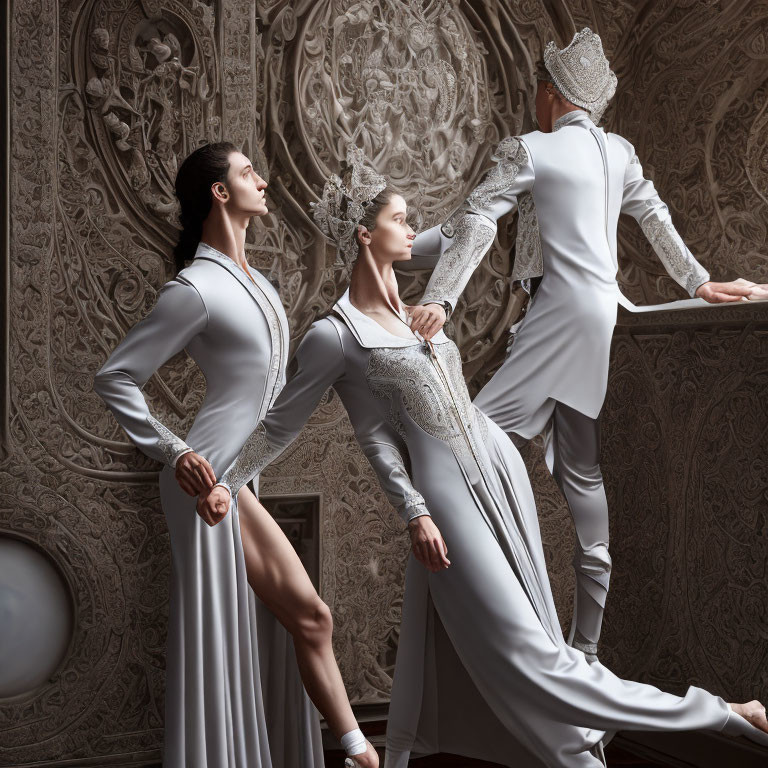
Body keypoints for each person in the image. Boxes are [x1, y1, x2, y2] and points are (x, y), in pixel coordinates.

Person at [196, 146, 768, 768]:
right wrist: (407, 510)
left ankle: (576, 758)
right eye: (400, 219)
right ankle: (724, 713)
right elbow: (322, 428)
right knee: (529, 655)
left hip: (500, 468)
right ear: (366, 234)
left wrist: (694, 279)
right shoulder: (335, 334)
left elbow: (475, 224)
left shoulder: (421, 317)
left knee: (539, 644)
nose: (413, 230)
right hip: (444, 492)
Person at [404, 27, 768, 662]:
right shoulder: (619, 151)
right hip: (605, 317)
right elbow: (654, 216)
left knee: (461, 445)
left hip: (563, 319)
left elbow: (479, 221)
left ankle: (494, 627)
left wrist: (439, 297)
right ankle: (587, 654)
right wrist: (699, 282)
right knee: (582, 477)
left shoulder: (529, 149)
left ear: (549, 95)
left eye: (538, 95)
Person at [94, 142, 378, 768]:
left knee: (293, 620)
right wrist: (172, 452)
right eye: (249, 172)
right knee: (307, 614)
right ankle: (358, 748)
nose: (263, 179)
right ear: (220, 193)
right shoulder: (194, 290)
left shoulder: (258, 284)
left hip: (238, 474)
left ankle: (336, 747)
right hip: (208, 478)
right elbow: (115, 376)